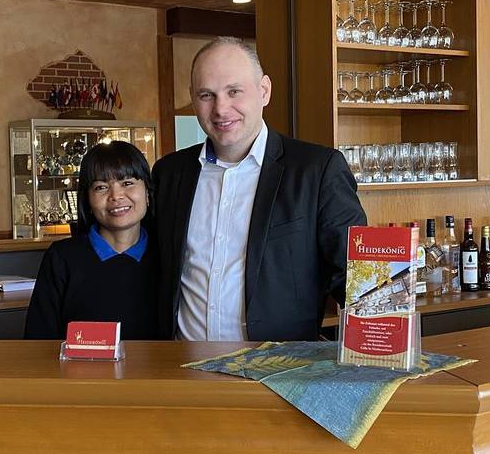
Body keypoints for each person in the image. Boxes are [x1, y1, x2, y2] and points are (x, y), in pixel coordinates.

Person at [153, 36, 366, 341]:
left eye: (234, 91)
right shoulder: (168, 174)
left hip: (280, 366)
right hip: (182, 365)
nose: (220, 109)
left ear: (264, 91)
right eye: (206, 95)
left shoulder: (318, 171)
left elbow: (356, 277)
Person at [24, 140, 159, 340]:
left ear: (147, 192)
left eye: (127, 183)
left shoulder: (166, 254)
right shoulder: (62, 258)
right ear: (87, 199)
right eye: (101, 187)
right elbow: (38, 341)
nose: (116, 196)